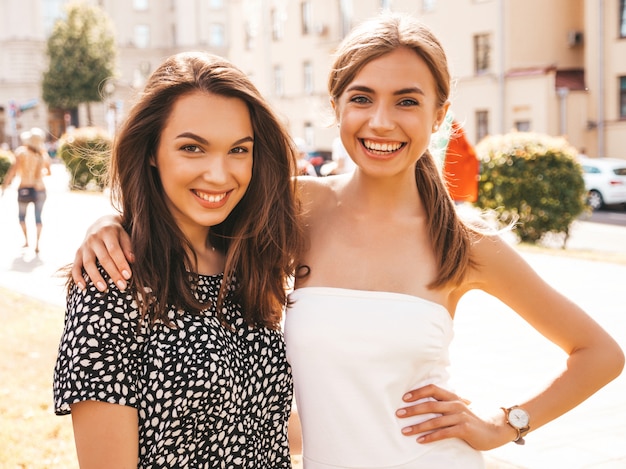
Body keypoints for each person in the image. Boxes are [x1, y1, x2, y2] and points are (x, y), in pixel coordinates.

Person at [71, 13, 623, 469]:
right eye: (362, 98)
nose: (381, 121)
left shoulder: (468, 245)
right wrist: (112, 226)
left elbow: (600, 354)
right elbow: (195, 205)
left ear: (440, 115)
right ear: (335, 106)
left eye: (407, 101)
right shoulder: (294, 207)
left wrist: (505, 425)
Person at [53, 51, 303, 468]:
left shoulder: (248, 266)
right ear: (151, 151)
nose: (220, 175)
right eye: (192, 148)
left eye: (239, 150)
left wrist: (396, 421)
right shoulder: (111, 282)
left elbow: (261, 424)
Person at [1, 127, 52, 253]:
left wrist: (4, 186)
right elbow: (49, 172)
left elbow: (13, 171)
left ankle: (27, 241)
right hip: (40, 189)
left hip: (24, 188)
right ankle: (37, 245)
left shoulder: (21, 152)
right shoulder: (43, 154)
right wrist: (40, 174)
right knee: (38, 218)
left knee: (22, 217)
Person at [442, 119, 480, 204]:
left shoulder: (445, 134)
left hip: (446, 186)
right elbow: (471, 155)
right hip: (458, 188)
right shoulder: (456, 132)